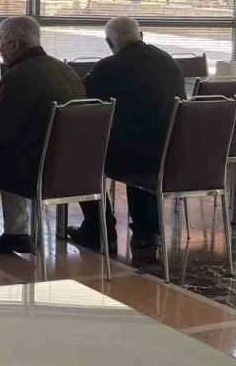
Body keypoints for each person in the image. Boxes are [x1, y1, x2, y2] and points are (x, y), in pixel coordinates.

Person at [66, 17, 185, 254]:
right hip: (172, 153)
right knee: (143, 138)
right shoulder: (168, 61)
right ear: (141, 35)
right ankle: (147, 232)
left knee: (78, 156)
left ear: (110, 43)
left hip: (133, 156)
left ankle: (99, 228)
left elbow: (77, 97)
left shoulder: (110, 67)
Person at [0, 16, 85, 254]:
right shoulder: (66, 70)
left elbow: (4, 132)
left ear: (14, 44)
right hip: (74, 166)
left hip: (36, 169)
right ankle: (16, 232)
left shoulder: (17, 76)